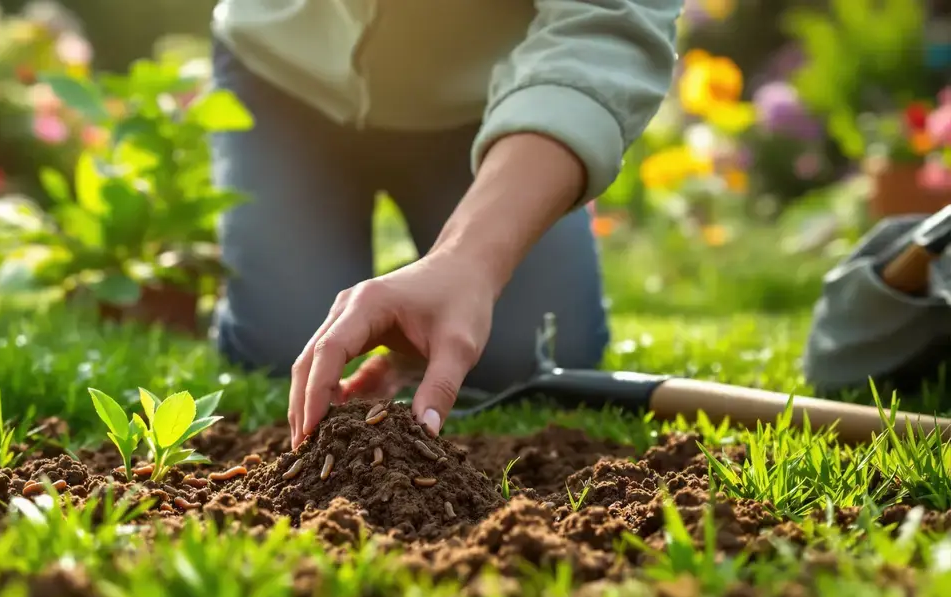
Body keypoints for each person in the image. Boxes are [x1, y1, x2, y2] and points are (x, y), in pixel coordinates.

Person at [208, 0, 683, 448]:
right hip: (284, 81)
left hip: (493, 103)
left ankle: (429, 282)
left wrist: (469, 261)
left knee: (527, 356)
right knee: (288, 347)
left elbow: (610, 23)